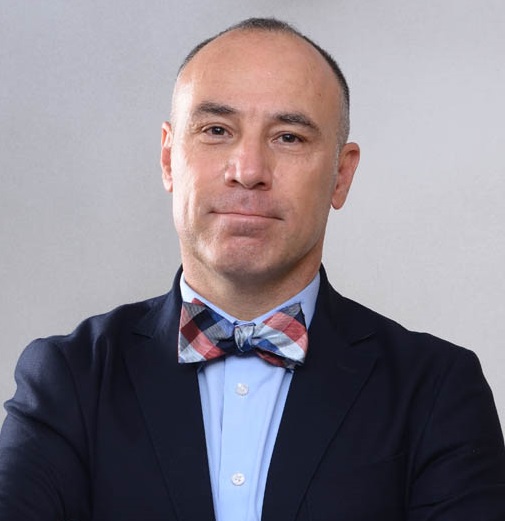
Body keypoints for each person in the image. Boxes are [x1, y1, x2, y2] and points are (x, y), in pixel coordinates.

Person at [1, 17, 504, 521]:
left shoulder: (438, 390)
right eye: (216, 131)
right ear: (169, 159)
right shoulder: (67, 378)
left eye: (288, 137)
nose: (248, 171)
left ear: (341, 175)